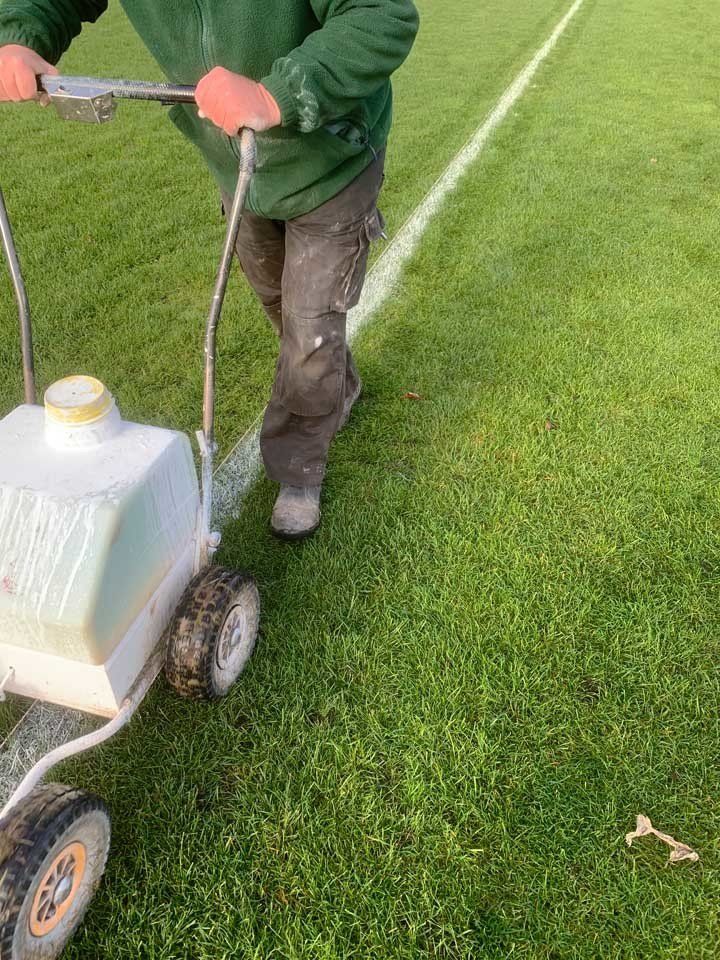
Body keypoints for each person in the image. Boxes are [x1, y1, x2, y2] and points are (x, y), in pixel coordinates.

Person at [0, 0, 419, 539]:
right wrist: (19, 35)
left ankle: (297, 469)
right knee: (278, 299)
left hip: (332, 160)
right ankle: (337, 383)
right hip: (238, 163)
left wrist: (277, 95)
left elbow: (383, 15)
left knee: (311, 327)